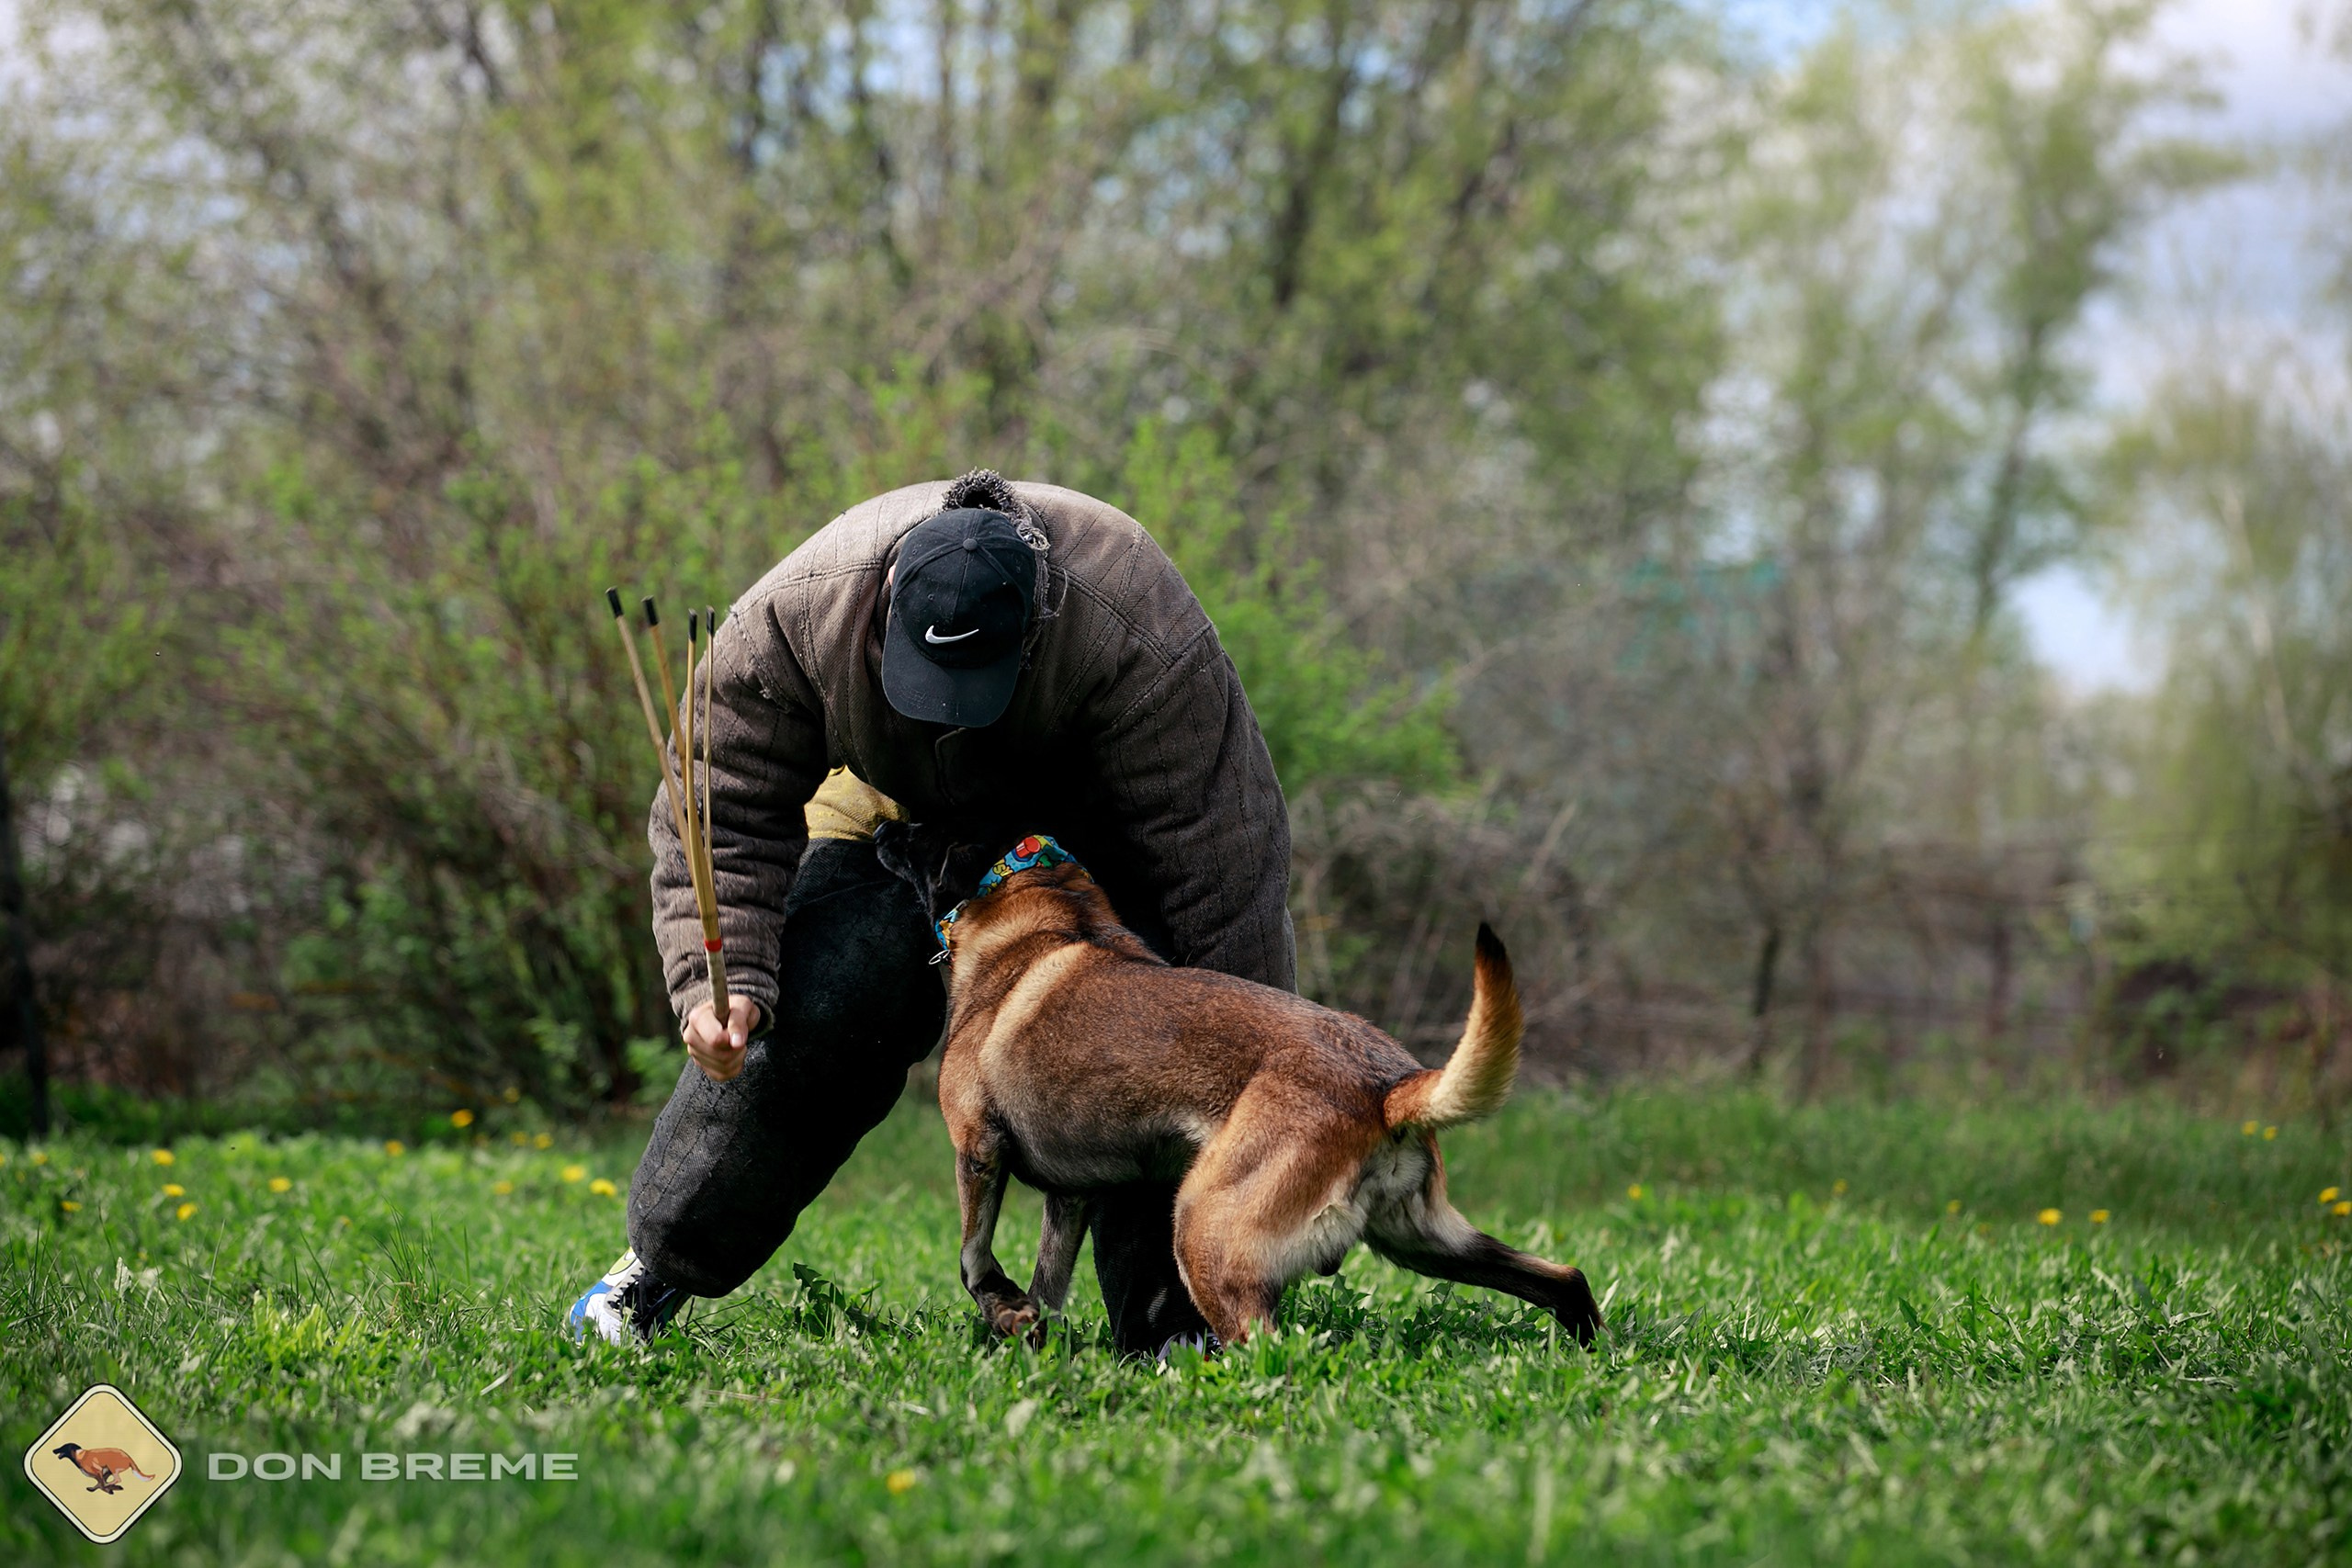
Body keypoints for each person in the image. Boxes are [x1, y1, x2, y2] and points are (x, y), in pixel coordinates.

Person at [569, 469, 1295, 1356]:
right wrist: (712, 984)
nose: (951, 709)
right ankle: (658, 1264)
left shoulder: (1138, 628)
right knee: (821, 995)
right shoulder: (798, 615)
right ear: (881, 614)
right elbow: (716, 802)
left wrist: (1260, 1113)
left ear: (1034, 633)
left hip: (1094, 837)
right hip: (892, 810)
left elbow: (1223, 864)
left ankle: (1185, 1313)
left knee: (1164, 1028)